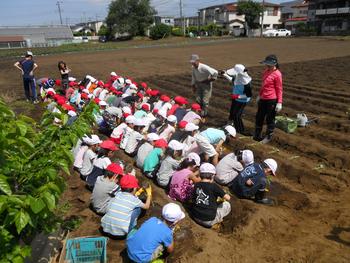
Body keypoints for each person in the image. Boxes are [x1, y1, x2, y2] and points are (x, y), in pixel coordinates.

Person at [191, 163, 231, 228]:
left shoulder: (196, 185)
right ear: (212, 176)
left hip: (195, 217)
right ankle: (216, 222)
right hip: (208, 221)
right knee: (227, 205)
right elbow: (228, 198)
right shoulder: (214, 186)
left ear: (200, 175)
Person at [254, 55, 283, 143]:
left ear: (274, 64)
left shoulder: (277, 74)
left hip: (271, 100)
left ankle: (268, 136)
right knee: (259, 117)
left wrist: (279, 102)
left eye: (269, 64)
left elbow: (279, 89)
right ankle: (257, 134)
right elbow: (263, 85)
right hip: (263, 98)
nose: (267, 66)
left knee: (270, 118)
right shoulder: (266, 71)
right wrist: (259, 95)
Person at [220, 64, 252, 135]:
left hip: (242, 101)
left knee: (237, 115)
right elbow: (233, 80)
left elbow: (248, 95)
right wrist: (225, 74)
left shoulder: (246, 83)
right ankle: (229, 125)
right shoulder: (239, 76)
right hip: (236, 98)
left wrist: (237, 97)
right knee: (232, 112)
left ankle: (240, 131)